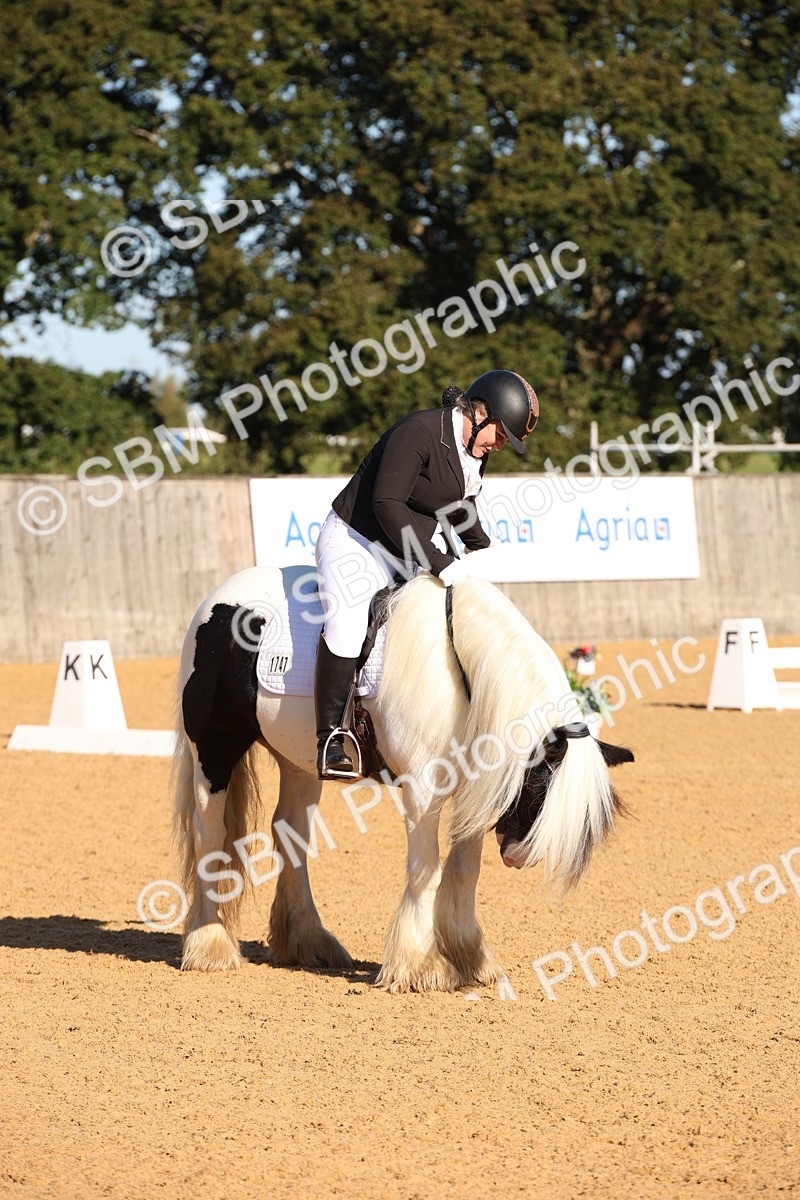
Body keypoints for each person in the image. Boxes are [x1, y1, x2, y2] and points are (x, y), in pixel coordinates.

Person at [313, 368, 539, 779]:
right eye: (501, 434)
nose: (501, 445)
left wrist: (482, 549)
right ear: (479, 412)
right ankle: (330, 737)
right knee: (347, 623)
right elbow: (387, 504)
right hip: (355, 541)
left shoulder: (474, 452)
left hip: (405, 550)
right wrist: (439, 562)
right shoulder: (418, 431)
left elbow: (460, 505)